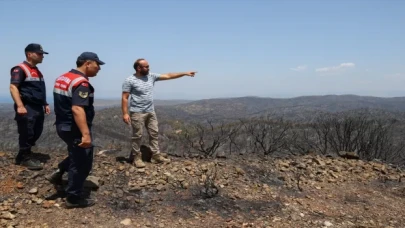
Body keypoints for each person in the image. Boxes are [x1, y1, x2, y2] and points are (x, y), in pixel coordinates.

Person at [47, 52, 105, 208]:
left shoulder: (63, 77)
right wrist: (85, 134)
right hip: (74, 127)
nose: (99, 68)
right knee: (82, 162)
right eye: (97, 64)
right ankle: (73, 198)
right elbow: (77, 109)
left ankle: (59, 172)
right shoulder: (81, 83)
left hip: (62, 125)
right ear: (87, 63)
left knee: (75, 153)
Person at [121, 58, 197, 168]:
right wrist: (125, 113)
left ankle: (155, 156)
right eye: (146, 66)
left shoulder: (151, 76)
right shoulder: (129, 80)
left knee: (154, 133)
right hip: (137, 112)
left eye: (148, 66)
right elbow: (125, 97)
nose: (148, 68)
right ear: (138, 68)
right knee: (137, 135)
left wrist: (184, 73)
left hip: (150, 111)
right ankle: (136, 157)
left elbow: (168, 76)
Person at [9, 43, 51, 170]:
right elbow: (13, 87)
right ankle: (24, 157)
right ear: (29, 54)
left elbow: (39, 90)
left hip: (37, 106)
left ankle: (25, 153)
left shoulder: (37, 71)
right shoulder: (20, 69)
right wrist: (20, 106)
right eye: (39, 54)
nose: (42, 56)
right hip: (27, 106)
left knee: (36, 130)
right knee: (27, 130)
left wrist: (45, 103)